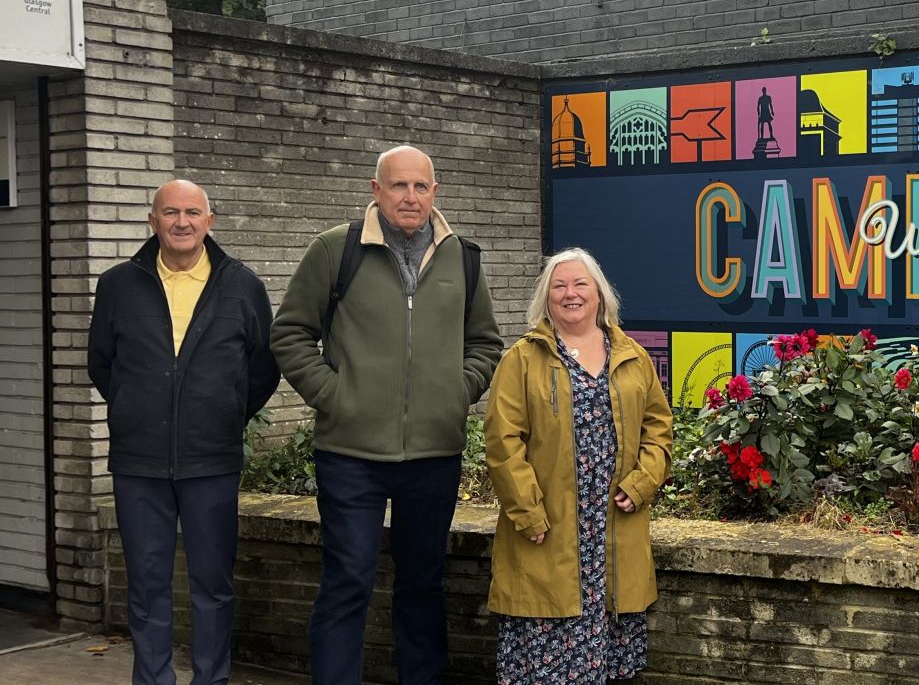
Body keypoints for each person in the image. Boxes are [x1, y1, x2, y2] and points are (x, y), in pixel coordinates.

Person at [271, 145, 503, 684]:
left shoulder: (462, 256)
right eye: (399, 186)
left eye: (421, 187)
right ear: (376, 190)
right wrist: (336, 395)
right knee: (347, 582)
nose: (411, 197)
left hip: (433, 456)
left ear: (434, 193)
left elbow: (486, 343)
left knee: (423, 585)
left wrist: (456, 391)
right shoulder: (336, 250)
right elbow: (289, 334)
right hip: (350, 456)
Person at [88, 179, 278, 685]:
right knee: (147, 586)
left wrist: (220, 414)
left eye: (193, 212)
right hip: (139, 462)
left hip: (211, 460)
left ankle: (211, 679)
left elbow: (262, 369)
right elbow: (102, 365)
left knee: (212, 585)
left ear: (209, 221)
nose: (182, 222)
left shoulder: (243, 286)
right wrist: (140, 410)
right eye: (170, 212)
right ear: (152, 221)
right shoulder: (117, 285)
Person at [483, 247, 672, 684]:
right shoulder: (522, 360)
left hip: (612, 533)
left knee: (609, 669)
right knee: (547, 669)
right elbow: (502, 443)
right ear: (546, 299)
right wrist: (527, 512)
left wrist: (643, 483)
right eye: (559, 285)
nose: (570, 293)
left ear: (600, 295)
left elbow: (658, 428)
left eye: (580, 284)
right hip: (548, 532)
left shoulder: (633, 356)